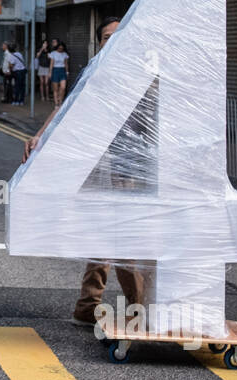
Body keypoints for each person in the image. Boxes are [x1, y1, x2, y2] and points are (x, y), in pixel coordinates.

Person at [22, 17, 146, 328]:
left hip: (130, 170)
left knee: (119, 240)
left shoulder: (141, 74)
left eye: (117, 36)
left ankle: (118, 306)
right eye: (106, 37)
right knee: (107, 237)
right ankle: (103, 306)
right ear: (99, 43)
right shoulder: (94, 74)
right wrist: (41, 135)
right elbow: (66, 108)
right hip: (98, 166)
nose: (111, 41)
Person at [48, 41, 70, 108]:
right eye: (59, 48)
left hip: (62, 70)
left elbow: (66, 64)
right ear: (57, 48)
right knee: (56, 89)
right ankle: (56, 103)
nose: (60, 49)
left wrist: (67, 72)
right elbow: (51, 64)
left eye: (62, 48)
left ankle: (60, 101)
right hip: (55, 70)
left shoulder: (65, 54)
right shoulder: (53, 53)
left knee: (63, 87)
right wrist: (50, 72)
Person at [9, 41, 27, 107]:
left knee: (17, 87)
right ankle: (21, 101)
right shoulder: (19, 54)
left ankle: (16, 101)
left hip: (17, 72)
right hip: (23, 71)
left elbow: (11, 65)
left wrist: (9, 69)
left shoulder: (12, 56)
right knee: (22, 86)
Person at [36, 37, 53, 102]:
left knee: (46, 83)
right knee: (42, 82)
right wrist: (42, 49)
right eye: (44, 43)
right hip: (41, 67)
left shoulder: (49, 50)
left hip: (47, 67)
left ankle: (47, 96)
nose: (45, 44)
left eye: (46, 43)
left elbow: (51, 58)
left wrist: (48, 53)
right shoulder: (39, 50)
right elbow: (37, 56)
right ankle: (42, 96)